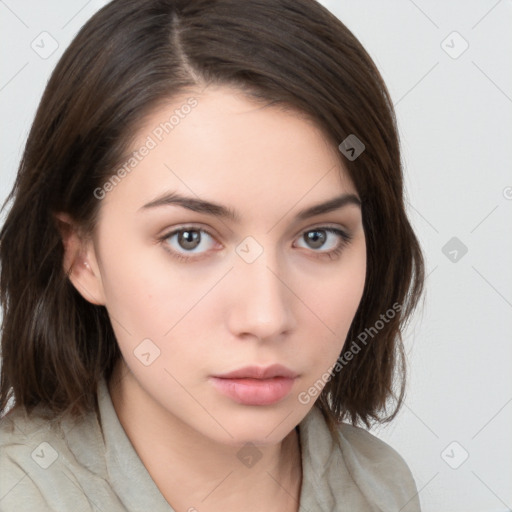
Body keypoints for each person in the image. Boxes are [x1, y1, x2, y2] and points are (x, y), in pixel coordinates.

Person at [0, 0, 425, 511]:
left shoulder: (378, 487)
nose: (266, 317)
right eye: (190, 238)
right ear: (83, 257)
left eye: (318, 237)